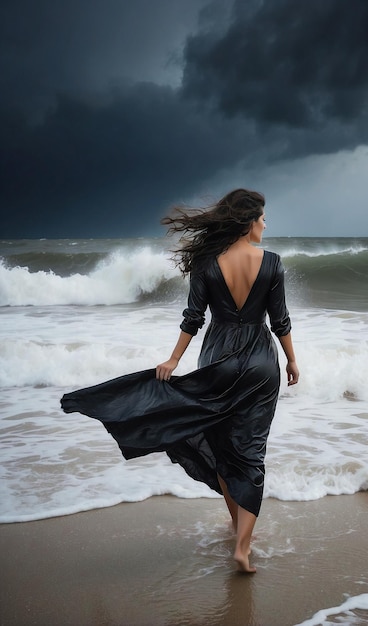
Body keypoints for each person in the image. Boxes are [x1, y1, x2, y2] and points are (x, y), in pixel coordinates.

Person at [61, 188, 299, 574]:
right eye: (262, 218)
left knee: (223, 446)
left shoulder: (206, 263)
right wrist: (291, 360)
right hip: (260, 363)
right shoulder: (271, 263)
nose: (265, 225)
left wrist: (173, 359)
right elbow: (280, 320)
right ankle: (243, 546)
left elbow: (194, 317)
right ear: (248, 221)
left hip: (217, 358)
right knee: (251, 451)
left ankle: (234, 521)